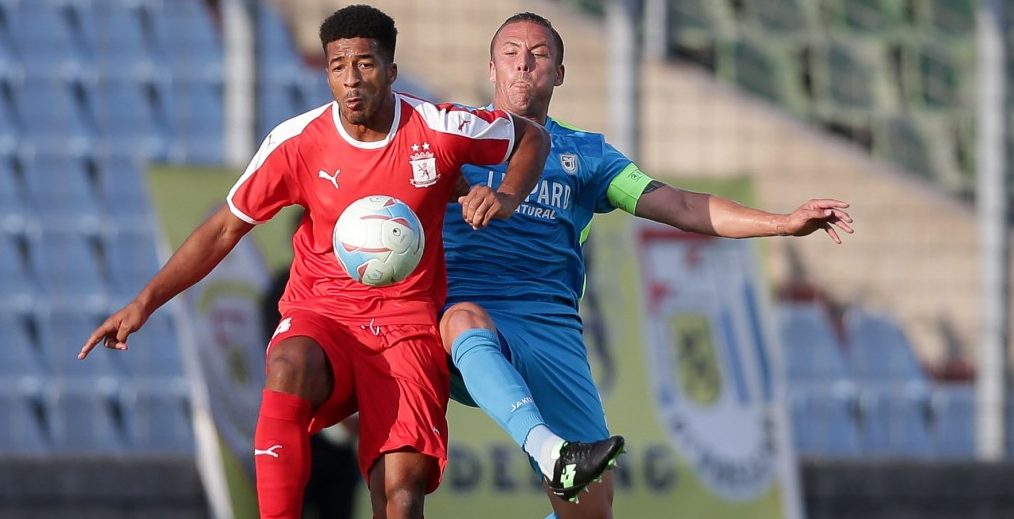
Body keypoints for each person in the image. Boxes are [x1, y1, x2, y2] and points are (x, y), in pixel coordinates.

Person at [80, 5, 550, 519]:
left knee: (399, 492)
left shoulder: (438, 126)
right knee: (287, 365)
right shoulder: (296, 143)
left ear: (391, 70)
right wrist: (144, 303)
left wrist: (505, 194)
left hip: (406, 324)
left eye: (366, 65)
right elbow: (223, 228)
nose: (351, 80)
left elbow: (530, 135)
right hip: (324, 313)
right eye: (338, 66)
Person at [439, 12, 855, 519]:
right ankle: (547, 448)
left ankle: (560, 458)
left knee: (590, 514)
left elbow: (679, 205)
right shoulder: (451, 137)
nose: (524, 64)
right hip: (464, 325)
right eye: (511, 53)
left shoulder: (586, 155)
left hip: (552, 330)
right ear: (491, 68)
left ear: (560, 73)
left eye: (540, 54)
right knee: (463, 319)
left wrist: (784, 223)